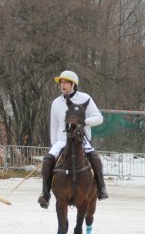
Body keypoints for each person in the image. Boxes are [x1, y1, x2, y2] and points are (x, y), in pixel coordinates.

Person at [37, 70, 108, 209]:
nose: (62, 85)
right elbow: (54, 125)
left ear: (73, 84)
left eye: (65, 82)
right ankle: (45, 194)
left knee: (95, 157)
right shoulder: (56, 103)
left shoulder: (85, 98)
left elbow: (99, 118)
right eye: (60, 82)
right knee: (47, 160)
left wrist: (84, 122)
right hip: (62, 139)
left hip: (81, 139)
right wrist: (54, 145)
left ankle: (101, 188)